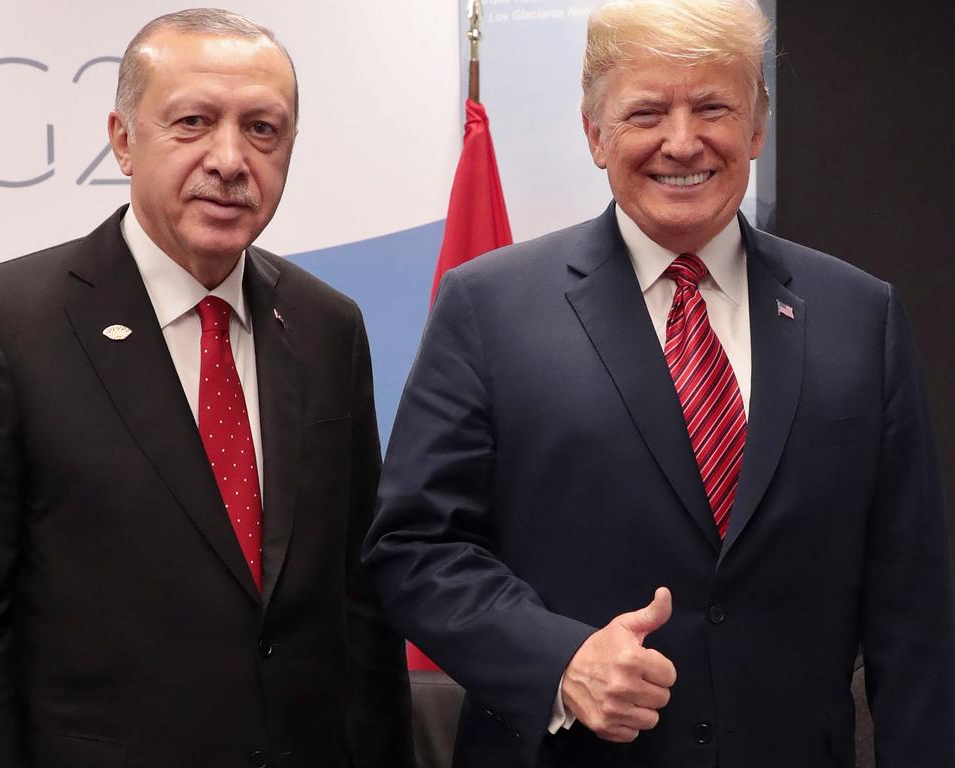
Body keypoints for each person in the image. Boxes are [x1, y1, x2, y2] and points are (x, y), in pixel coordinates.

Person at [363, 0, 955, 766]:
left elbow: (912, 612)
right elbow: (413, 548)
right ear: (593, 132)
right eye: (647, 111)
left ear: (757, 124)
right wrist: (560, 662)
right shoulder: (488, 307)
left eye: (713, 106)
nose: (683, 142)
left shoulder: (861, 317)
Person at [0, 9, 412, 768]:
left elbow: (360, 605)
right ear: (124, 138)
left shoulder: (328, 327)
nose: (229, 159)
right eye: (193, 121)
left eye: (263, 129)